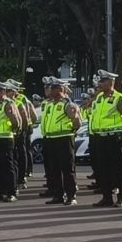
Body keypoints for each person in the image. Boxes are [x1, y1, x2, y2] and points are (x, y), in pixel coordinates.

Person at [89, 70, 122, 207]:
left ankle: (121, 197)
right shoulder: (99, 98)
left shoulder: (119, 98)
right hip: (100, 137)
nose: (100, 84)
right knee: (103, 169)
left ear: (111, 82)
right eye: (100, 81)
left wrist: (120, 130)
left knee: (118, 168)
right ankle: (107, 197)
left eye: (103, 81)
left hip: (114, 138)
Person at [41, 78, 82, 206]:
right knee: (54, 169)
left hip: (64, 138)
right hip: (51, 139)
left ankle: (71, 196)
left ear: (61, 89)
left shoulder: (68, 104)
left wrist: (72, 131)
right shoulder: (50, 104)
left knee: (67, 169)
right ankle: (58, 195)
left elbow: (77, 121)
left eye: (53, 88)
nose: (50, 91)